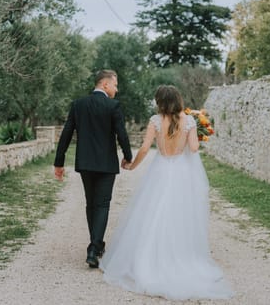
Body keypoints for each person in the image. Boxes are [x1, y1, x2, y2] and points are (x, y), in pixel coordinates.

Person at [100, 85, 233, 300]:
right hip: (180, 172)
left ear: (160, 101)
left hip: (160, 170)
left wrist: (132, 166)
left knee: (152, 213)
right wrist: (195, 132)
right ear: (178, 100)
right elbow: (194, 149)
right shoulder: (189, 121)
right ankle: (179, 256)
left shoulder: (155, 120)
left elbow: (144, 148)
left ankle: (148, 258)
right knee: (179, 215)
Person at [54, 69, 133, 269]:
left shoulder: (78, 105)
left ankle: (96, 246)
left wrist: (59, 162)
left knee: (91, 203)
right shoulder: (113, 106)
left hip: (86, 163)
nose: (116, 89)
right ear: (105, 84)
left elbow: (66, 134)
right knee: (103, 204)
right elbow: (121, 134)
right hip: (106, 165)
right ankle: (94, 248)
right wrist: (127, 156)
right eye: (115, 84)